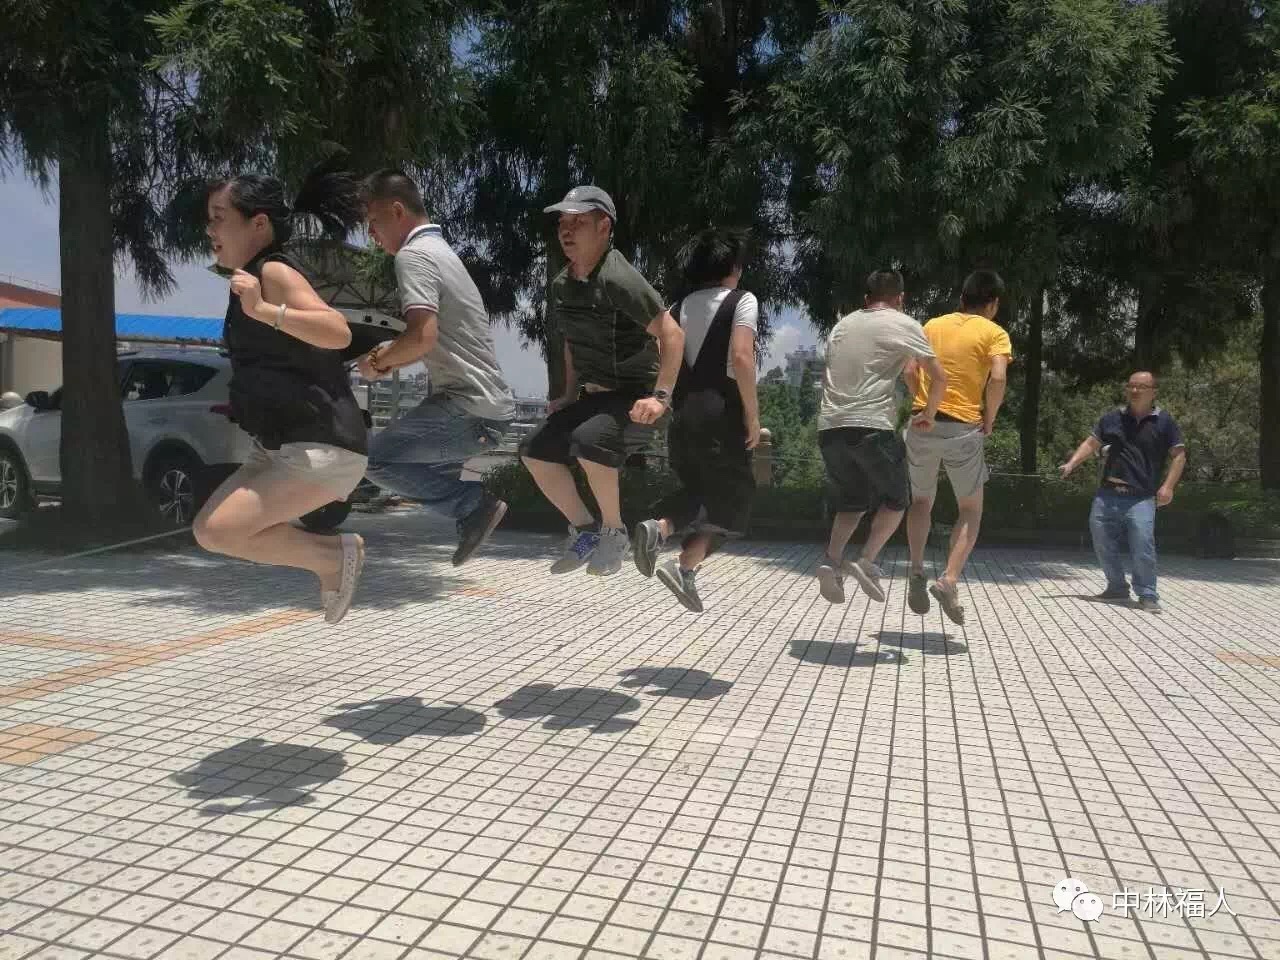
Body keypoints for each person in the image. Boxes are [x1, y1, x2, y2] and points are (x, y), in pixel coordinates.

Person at [193, 168, 369, 624]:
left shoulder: (272, 271)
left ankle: (333, 557)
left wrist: (263, 309)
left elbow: (337, 331)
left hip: (320, 446)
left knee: (218, 530)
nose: (210, 229)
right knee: (211, 531)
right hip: (278, 445)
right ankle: (332, 558)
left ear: (258, 223)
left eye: (219, 217)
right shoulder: (251, 279)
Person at [520, 186, 685, 576]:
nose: (566, 230)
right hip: (595, 397)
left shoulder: (617, 277)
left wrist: (660, 397)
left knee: (590, 441)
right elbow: (571, 343)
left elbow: (672, 334)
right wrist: (567, 394)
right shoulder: (563, 284)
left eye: (578, 222)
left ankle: (615, 532)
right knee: (534, 450)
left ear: (604, 227)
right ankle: (586, 531)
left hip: (637, 399)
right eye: (563, 222)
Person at [357, 171, 516, 565]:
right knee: (410, 468)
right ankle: (471, 510)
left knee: (375, 460)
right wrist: (390, 355)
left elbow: (421, 337)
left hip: (470, 411)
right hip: (481, 409)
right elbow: (429, 338)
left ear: (397, 211)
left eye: (373, 222)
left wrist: (376, 363)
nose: (370, 235)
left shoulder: (414, 256)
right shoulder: (440, 251)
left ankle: (474, 506)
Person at [631, 228, 760, 611]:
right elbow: (742, 357)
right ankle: (676, 551)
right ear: (733, 268)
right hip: (722, 414)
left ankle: (667, 541)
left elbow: (664, 360)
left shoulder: (675, 308)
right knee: (737, 499)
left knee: (700, 492)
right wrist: (753, 416)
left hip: (683, 416)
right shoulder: (742, 300)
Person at [815, 270, 948, 605]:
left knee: (853, 500)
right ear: (900, 298)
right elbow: (938, 377)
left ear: (866, 298)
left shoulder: (842, 325)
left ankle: (831, 561)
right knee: (898, 498)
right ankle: (866, 560)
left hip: (829, 428)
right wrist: (928, 413)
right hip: (871, 426)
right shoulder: (904, 323)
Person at [903, 269, 1013, 625]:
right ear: (993, 304)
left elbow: (909, 371)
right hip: (963, 427)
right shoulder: (995, 333)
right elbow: (998, 378)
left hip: (922, 422)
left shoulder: (931, 326)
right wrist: (989, 418)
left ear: (962, 298)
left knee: (921, 501)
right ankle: (948, 579)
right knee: (970, 509)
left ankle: (916, 569)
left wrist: (923, 405)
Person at [1059, 371, 1186, 613]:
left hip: (1141, 496)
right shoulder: (1112, 418)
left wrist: (1168, 487)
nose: (1135, 391)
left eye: (1141, 387)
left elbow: (1179, 456)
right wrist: (1072, 463)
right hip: (1107, 494)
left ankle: (1147, 594)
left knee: (1143, 544)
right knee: (1102, 541)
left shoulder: (1164, 421)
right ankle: (1116, 587)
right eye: (1131, 386)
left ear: (1153, 392)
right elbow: (1091, 443)